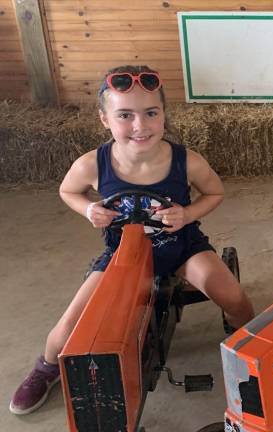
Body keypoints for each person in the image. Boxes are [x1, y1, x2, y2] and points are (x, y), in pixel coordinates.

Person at [9, 65, 255, 415]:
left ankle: (244, 343)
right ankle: (46, 368)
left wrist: (187, 214)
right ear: (104, 119)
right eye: (125, 115)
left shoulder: (187, 162)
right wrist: (88, 209)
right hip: (121, 255)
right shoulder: (94, 163)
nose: (140, 126)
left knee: (234, 296)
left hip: (182, 249)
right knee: (68, 328)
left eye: (151, 113)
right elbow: (68, 191)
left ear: (163, 115)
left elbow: (215, 192)